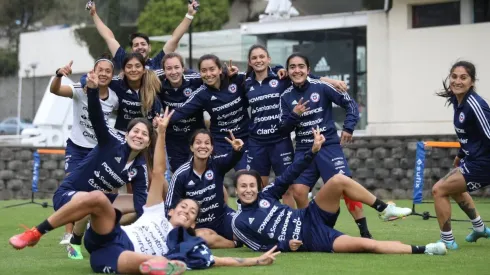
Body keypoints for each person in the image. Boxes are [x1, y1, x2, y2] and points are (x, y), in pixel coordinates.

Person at [10, 104, 280, 274]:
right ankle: (36, 233)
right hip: (107, 235)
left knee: (144, 260)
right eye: (184, 206)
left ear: (192, 223)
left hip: (119, 256)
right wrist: (161, 132)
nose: (186, 210)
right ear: (171, 209)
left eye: (191, 212)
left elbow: (218, 260)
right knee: (96, 198)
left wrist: (256, 262)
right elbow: (159, 172)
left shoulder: (188, 242)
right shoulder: (155, 212)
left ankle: (161, 267)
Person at [231, 127, 446, 256]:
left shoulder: (267, 194)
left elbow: (289, 174)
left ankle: (383, 209)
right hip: (312, 238)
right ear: (237, 189)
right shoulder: (239, 221)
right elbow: (258, 246)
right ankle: (426, 249)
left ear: (258, 186)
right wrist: (285, 245)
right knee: (365, 245)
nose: (248, 190)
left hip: (310, 215)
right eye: (243, 186)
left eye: (252, 185)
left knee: (338, 180)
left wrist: (312, 152)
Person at [9, 71, 152, 260]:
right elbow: (96, 117)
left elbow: (140, 205)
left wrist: (117, 220)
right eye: (135, 131)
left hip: (97, 200)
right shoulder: (111, 143)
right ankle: (36, 233)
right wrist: (92, 91)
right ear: (126, 134)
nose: (139, 136)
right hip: (68, 194)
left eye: (144, 134)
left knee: (135, 206)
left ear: (149, 142)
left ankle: (94, 233)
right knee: (91, 197)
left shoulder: (139, 168)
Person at [279, 53, 372, 238]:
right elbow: (283, 129)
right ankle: (312, 230)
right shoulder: (285, 96)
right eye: (292, 67)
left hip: (328, 145)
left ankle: (365, 232)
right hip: (304, 148)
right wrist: (295, 115)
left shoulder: (321, 87)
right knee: (298, 191)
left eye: (300, 66)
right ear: (288, 71)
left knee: (346, 187)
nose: (297, 70)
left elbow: (351, 104)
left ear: (308, 70)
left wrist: (349, 127)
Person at [244, 44, 347, 209]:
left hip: (280, 141)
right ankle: (260, 225)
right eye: (254, 58)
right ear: (249, 62)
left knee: (288, 188)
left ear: (268, 59)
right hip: (257, 142)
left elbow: (309, 77)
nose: (258, 60)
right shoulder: (245, 83)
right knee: (259, 186)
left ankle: (295, 225)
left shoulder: (282, 77)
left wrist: (333, 81)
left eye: (262, 56)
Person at [49, 56, 119, 250]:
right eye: (100, 70)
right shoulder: (81, 90)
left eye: (108, 71)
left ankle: (94, 232)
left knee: (103, 192)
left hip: (98, 151)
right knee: (73, 189)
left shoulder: (114, 98)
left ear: (112, 75)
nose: (103, 74)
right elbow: (55, 90)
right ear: (93, 72)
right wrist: (58, 75)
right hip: (77, 148)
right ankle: (68, 235)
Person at [432, 61, 490, 250]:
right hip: (473, 160)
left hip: (483, 163)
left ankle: (447, 240)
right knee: (454, 188)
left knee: (439, 190)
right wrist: (460, 155)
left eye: (463, 78)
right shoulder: (459, 102)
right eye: (454, 77)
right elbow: (469, 135)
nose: (458, 81)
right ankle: (480, 228)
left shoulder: (475, 104)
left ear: (472, 82)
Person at [165, 128, 245, 248]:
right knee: (205, 237)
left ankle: (226, 238)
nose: (203, 146)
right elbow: (170, 207)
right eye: (198, 143)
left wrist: (237, 150)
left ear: (212, 148)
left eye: (207, 143)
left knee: (245, 228)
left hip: (221, 218)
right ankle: (232, 244)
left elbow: (232, 158)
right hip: (197, 225)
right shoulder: (181, 174)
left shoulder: (217, 164)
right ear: (192, 147)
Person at [170, 55, 250, 171]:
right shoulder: (202, 93)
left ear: (220, 69)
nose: (208, 74)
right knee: (213, 177)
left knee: (245, 175)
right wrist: (162, 120)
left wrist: (278, 69)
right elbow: (182, 110)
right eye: (204, 71)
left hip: (244, 138)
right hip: (220, 141)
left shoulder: (236, 79)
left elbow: (259, 75)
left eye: (212, 69)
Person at [87, 0, 199, 71]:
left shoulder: (157, 62)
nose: (140, 47)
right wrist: (94, 14)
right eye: (136, 45)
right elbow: (109, 37)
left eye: (143, 44)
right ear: (132, 49)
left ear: (149, 47)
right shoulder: (124, 60)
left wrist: (189, 15)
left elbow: (174, 39)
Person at [158, 52, 206, 173]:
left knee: (201, 172)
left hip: (196, 136)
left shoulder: (196, 79)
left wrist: (229, 72)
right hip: (173, 139)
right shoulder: (158, 83)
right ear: (164, 71)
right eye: (169, 68)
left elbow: (214, 75)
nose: (173, 72)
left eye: (176, 67)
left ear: (183, 68)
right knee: (180, 174)